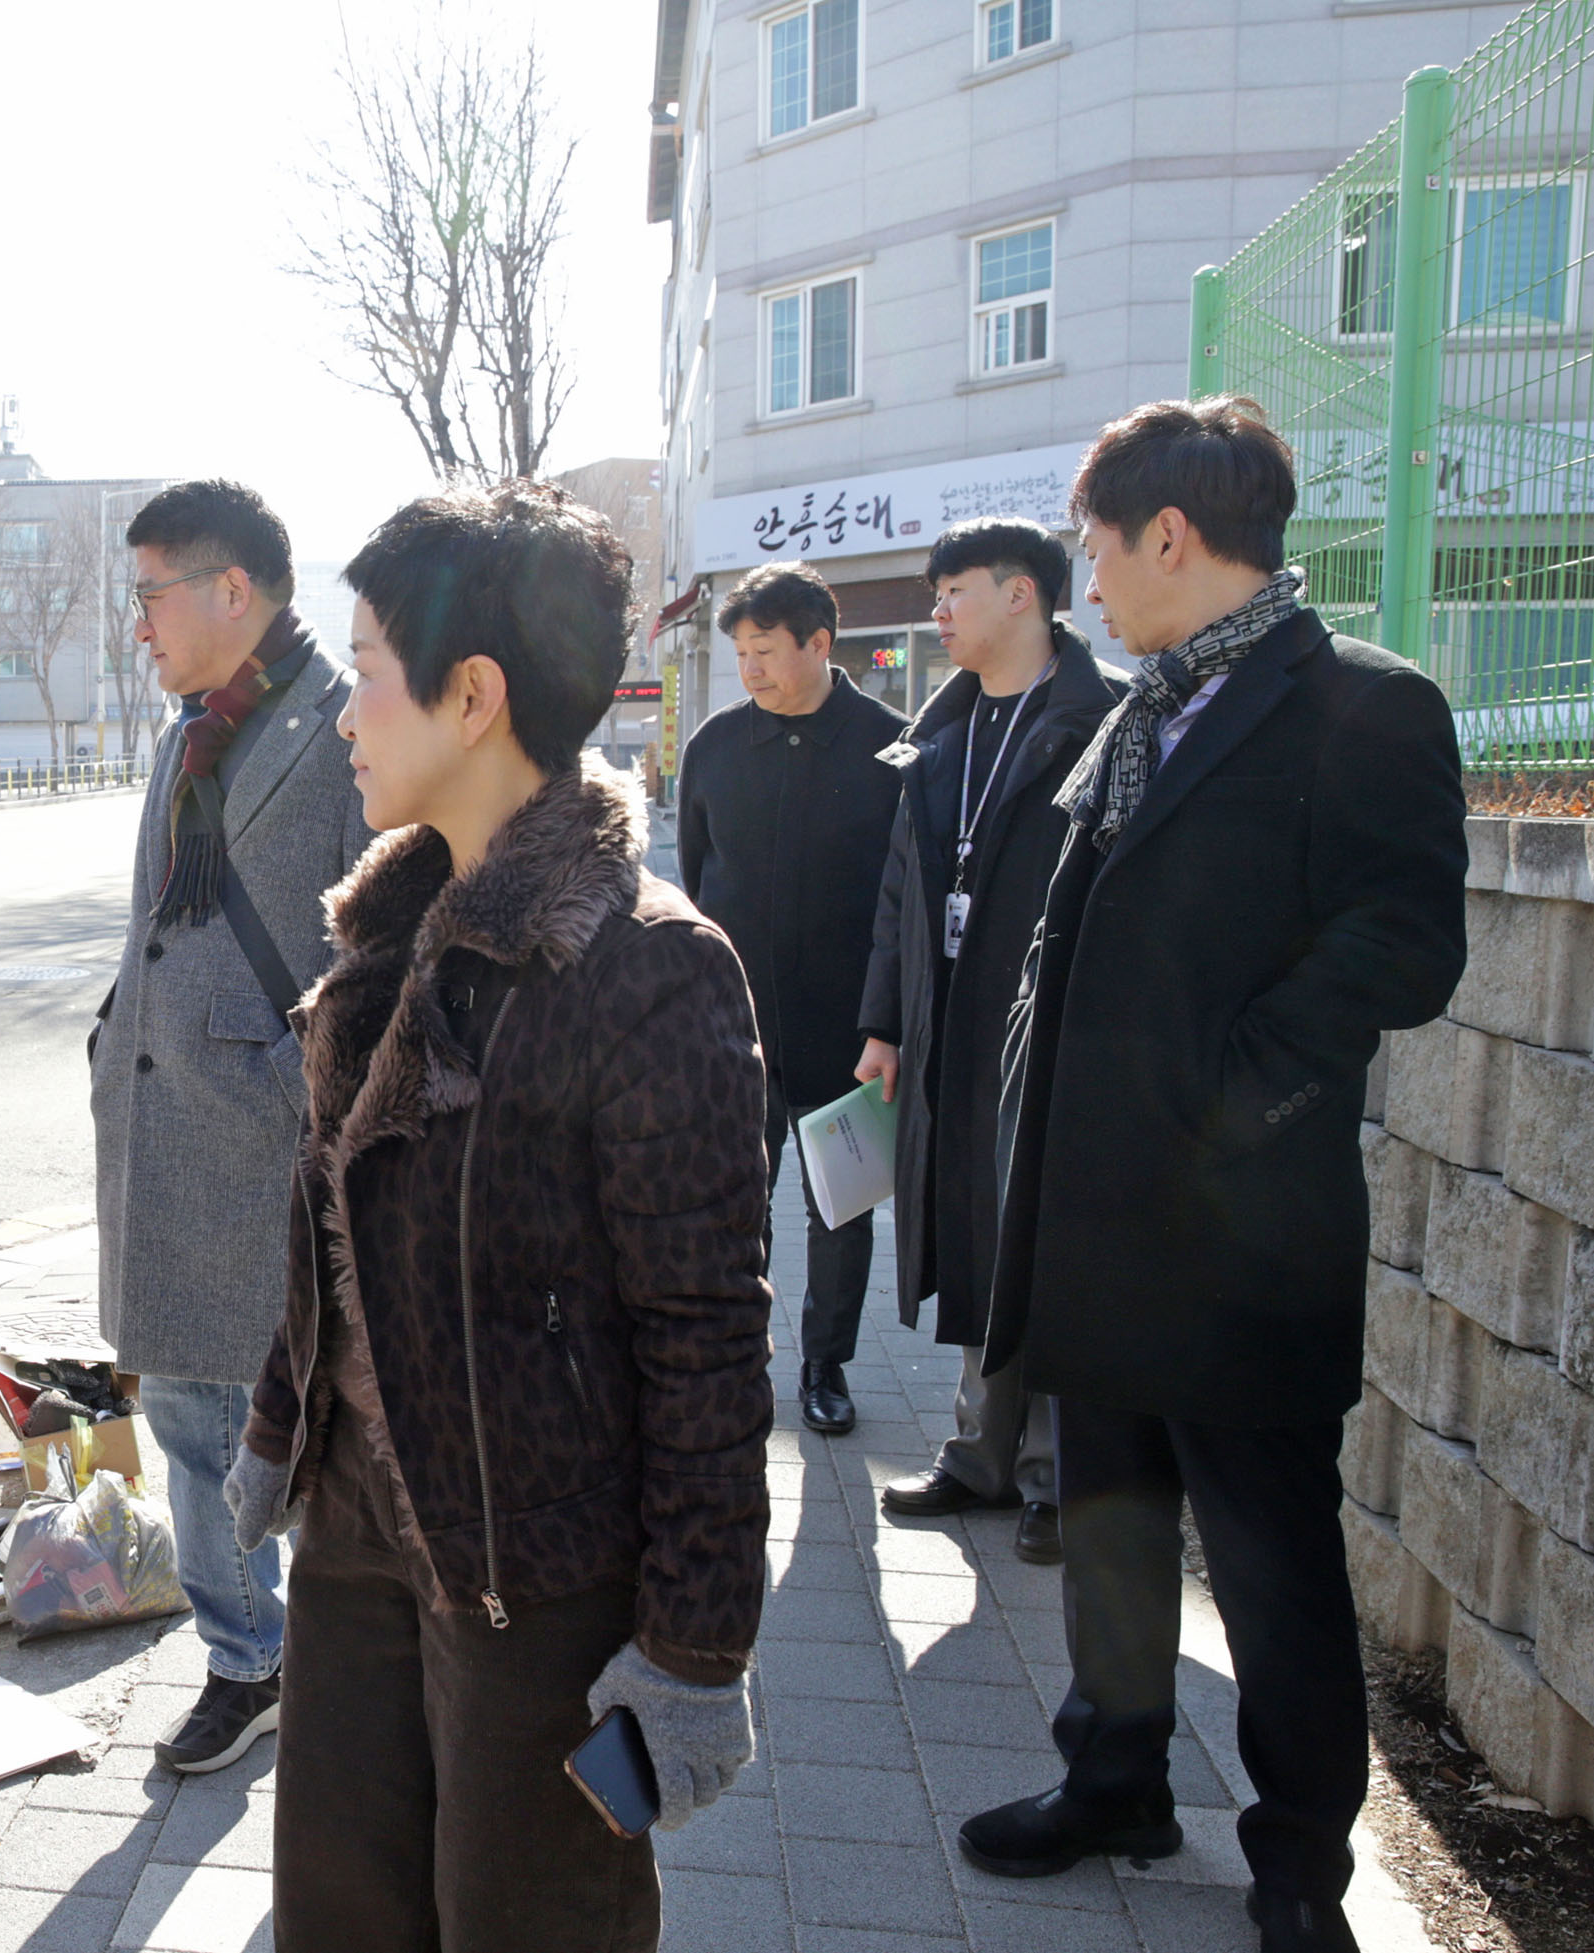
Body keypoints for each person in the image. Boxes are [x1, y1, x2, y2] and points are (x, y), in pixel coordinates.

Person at [226, 483, 771, 1951]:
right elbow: (326, 1232)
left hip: (535, 1577)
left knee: (527, 1922)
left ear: (474, 696)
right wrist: (280, 1429)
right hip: (356, 1541)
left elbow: (705, 1336)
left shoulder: (649, 968)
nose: (344, 712)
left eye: (368, 671)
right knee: (343, 1909)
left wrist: (698, 1647)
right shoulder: (387, 936)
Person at [961, 400, 1466, 1953]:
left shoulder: (1365, 707)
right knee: (1106, 1519)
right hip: (1097, 1221)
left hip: (1242, 1231)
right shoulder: (1138, 706)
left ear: (1170, 536)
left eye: (1097, 548)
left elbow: (1402, 941)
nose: (1087, 581)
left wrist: (1237, 1099)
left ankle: (1301, 1868)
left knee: (1268, 1563)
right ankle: (1112, 1775)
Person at [90, 478, 373, 1773]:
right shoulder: (190, 731)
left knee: (277, 1416)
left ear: (233, 591)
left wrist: (291, 1071)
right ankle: (244, 1651)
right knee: (190, 1414)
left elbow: (390, 931)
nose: (137, 622)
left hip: (269, 1133)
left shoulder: (339, 725)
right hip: (168, 1127)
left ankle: (299, 1655)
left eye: (152, 594)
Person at [855, 519, 1125, 1565]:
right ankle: (981, 1453)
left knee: (1043, 1241)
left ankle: (1059, 1475)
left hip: (1050, 1024)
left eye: (951, 591)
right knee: (973, 1227)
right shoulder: (941, 729)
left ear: (1022, 595)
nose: (938, 612)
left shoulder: (1100, 721)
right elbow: (898, 892)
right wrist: (882, 1022)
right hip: (947, 1022)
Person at [677, 561, 905, 1435]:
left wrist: (884, 1023)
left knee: (839, 1209)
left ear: (820, 643)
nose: (751, 670)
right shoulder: (714, 747)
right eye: (740, 652)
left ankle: (826, 1364)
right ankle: (743, 1357)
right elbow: (697, 888)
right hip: (734, 1034)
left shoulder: (891, 746)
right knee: (733, 1202)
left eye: (766, 651)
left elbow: (900, 909)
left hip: (847, 1036)